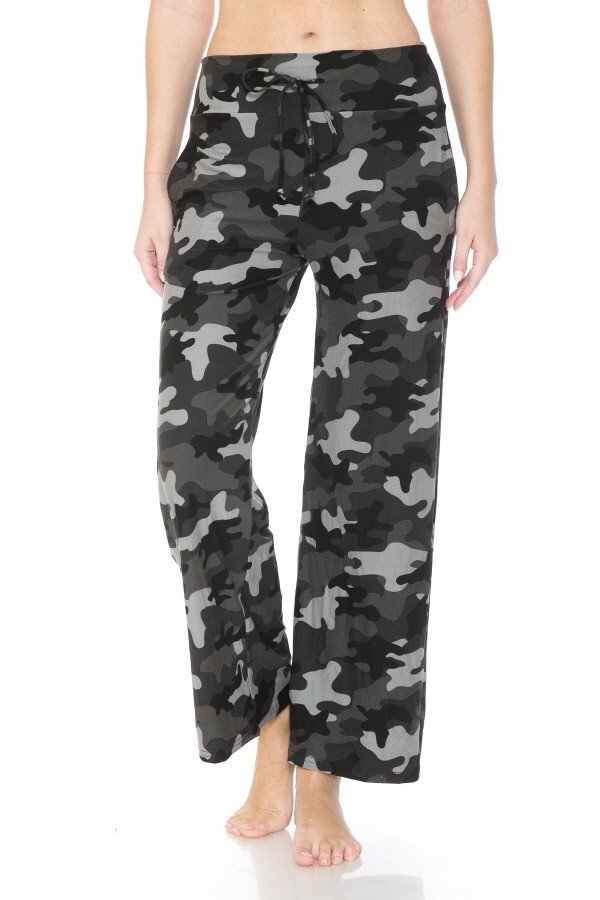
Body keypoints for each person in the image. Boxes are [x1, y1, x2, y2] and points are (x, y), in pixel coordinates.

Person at [134, 0, 498, 869]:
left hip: (389, 118)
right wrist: (153, 177)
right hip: (235, 124)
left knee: (375, 464)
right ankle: (273, 718)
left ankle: (325, 767)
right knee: (195, 458)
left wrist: (484, 177)